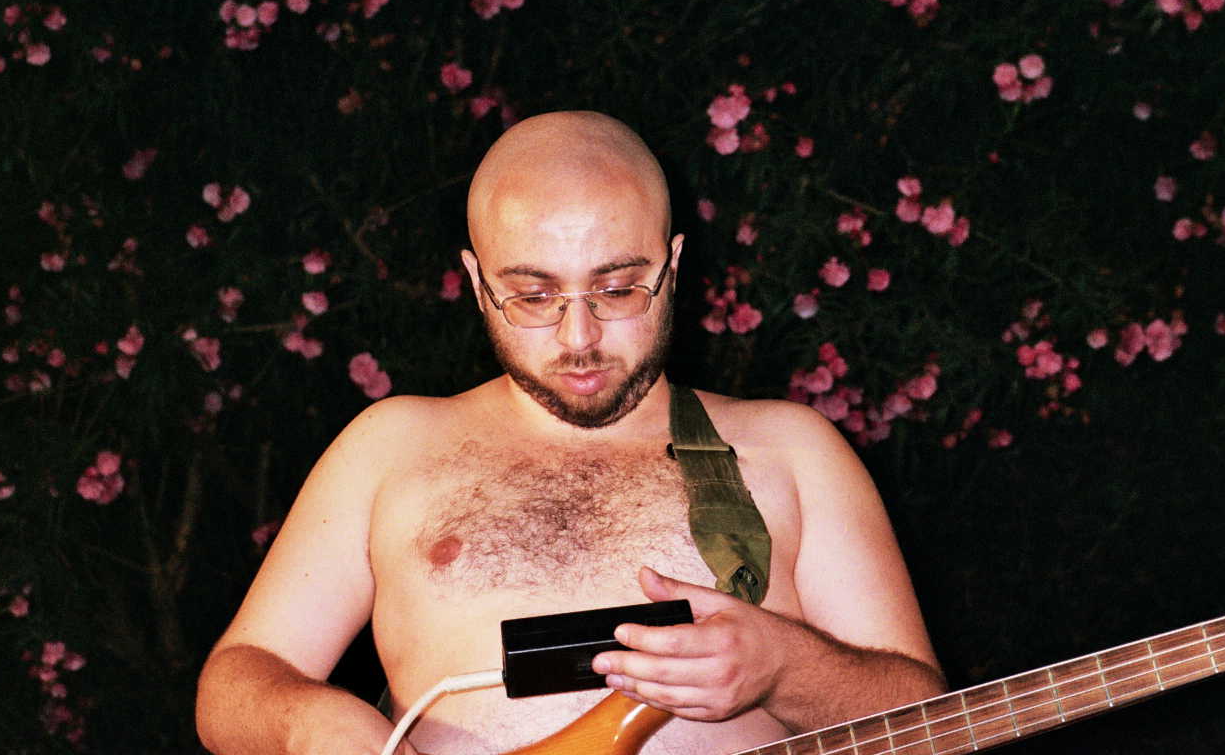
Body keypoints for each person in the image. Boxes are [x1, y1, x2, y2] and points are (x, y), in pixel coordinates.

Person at [196, 111, 944, 755]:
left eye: (617, 289)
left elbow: (929, 724)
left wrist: (786, 669)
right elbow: (236, 678)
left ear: (673, 266)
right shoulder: (389, 446)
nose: (578, 336)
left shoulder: (792, 451)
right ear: (477, 282)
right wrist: (305, 721)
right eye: (532, 295)